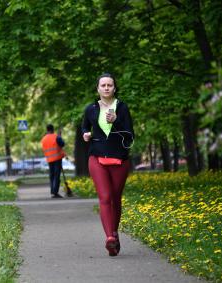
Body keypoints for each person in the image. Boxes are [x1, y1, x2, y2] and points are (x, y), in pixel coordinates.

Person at [81, 73, 134, 256]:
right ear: (98, 88)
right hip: (96, 158)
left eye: (109, 85)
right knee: (104, 197)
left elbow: (130, 135)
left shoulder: (122, 107)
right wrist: (86, 134)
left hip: (119, 159)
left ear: (114, 88)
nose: (106, 88)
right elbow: (85, 127)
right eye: (102, 85)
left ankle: (114, 233)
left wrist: (116, 121)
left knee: (115, 198)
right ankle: (109, 238)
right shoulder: (91, 109)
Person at [41, 124, 66, 198]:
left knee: (51, 175)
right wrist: (60, 136)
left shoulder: (44, 139)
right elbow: (62, 144)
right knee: (56, 175)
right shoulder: (56, 137)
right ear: (53, 129)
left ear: (47, 130)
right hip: (57, 158)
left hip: (49, 159)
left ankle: (52, 191)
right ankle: (55, 192)